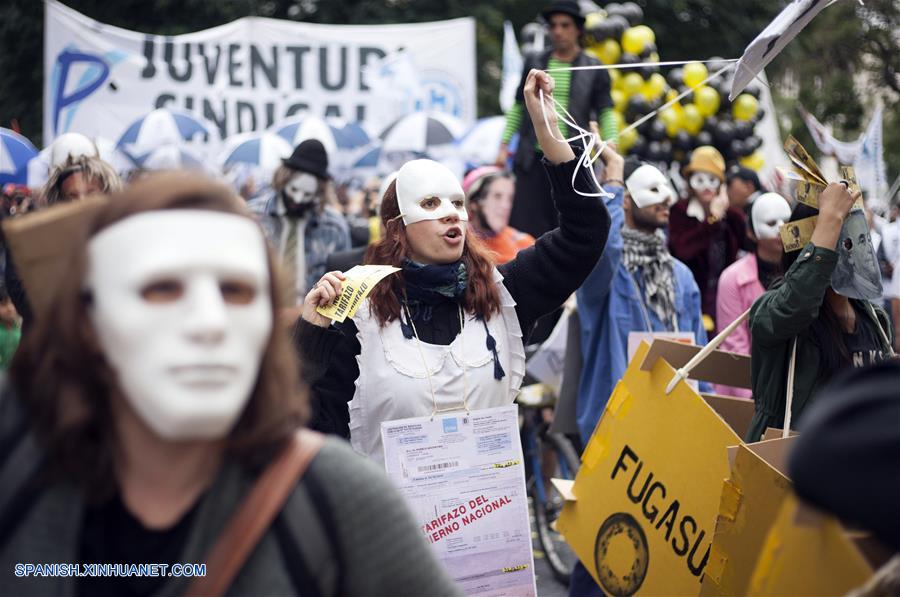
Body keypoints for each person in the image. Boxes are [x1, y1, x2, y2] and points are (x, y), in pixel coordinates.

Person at [0, 173, 460, 597]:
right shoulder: (18, 466)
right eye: (163, 288)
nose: (209, 322)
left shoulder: (339, 498)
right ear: (92, 319)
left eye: (236, 291)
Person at [295, 69, 611, 464]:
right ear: (396, 228)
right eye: (429, 204)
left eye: (457, 203)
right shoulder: (358, 313)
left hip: (487, 503)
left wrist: (549, 136)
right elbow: (310, 431)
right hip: (389, 504)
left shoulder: (503, 294)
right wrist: (310, 336)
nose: (449, 214)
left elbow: (585, 234)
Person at [745, 183, 893, 442]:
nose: (855, 252)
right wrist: (830, 219)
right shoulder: (772, 310)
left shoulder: (875, 319)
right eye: (842, 239)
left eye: (860, 236)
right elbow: (796, 304)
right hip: (797, 462)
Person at [575, 157, 707, 445]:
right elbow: (606, 247)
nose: (667, 198)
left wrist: (709, 418)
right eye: (652, 189)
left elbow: (699, 354)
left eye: (666, 188)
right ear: (625, 200)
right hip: (617, 429)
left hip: (675, 423)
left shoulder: (681, 276)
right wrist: (613, 182)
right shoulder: (605, 272)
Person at [496, 0, 615, 239]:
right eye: (553, 25)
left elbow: (606, 110)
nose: (558, 31)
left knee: (569, 224)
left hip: (573, 160)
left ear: (578, 29)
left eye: (565, 25)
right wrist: (504, 145)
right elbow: (518, 106)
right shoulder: (535, 62)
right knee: (525, 225)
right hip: (532, 159)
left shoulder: (594, 67)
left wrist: (611, 143)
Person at [6, 155, 122, 328]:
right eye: (72, 196)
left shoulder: (124, 241)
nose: (82, 202)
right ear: (59, 203)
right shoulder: (34, 245)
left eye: (91, 193)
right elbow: (29, 304)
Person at [251, 139, 351, 301]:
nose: (298, 199)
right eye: (294, 189)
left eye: (307, 194)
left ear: (319, 191)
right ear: (284, 180)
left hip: (311, 312)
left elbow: (343, 282)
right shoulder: (254, 216)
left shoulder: (334, 227)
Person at [714, 192, 792, 397]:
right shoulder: (732, 278)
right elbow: (733, 344)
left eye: (787, 221)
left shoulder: (805, 273)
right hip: (745, 393)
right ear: (751, 232)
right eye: (771, 222)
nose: (781, 228)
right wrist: (752, 399)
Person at [669, 146, 747, 328]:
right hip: (690, 297)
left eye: (712, 180)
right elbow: (682, 249)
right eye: (699, 179)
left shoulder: (732, 216)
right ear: (690, 182)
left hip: (724, 299)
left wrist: (728, 213)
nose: (706, 187)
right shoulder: (679, 211)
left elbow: (748, 242)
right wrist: (712, 220)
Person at [462, 166, 534, 264]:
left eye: (510, 198)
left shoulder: (525, 244)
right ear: (473, 202)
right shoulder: (458, 244)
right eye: (497, 196)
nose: (506, 206)